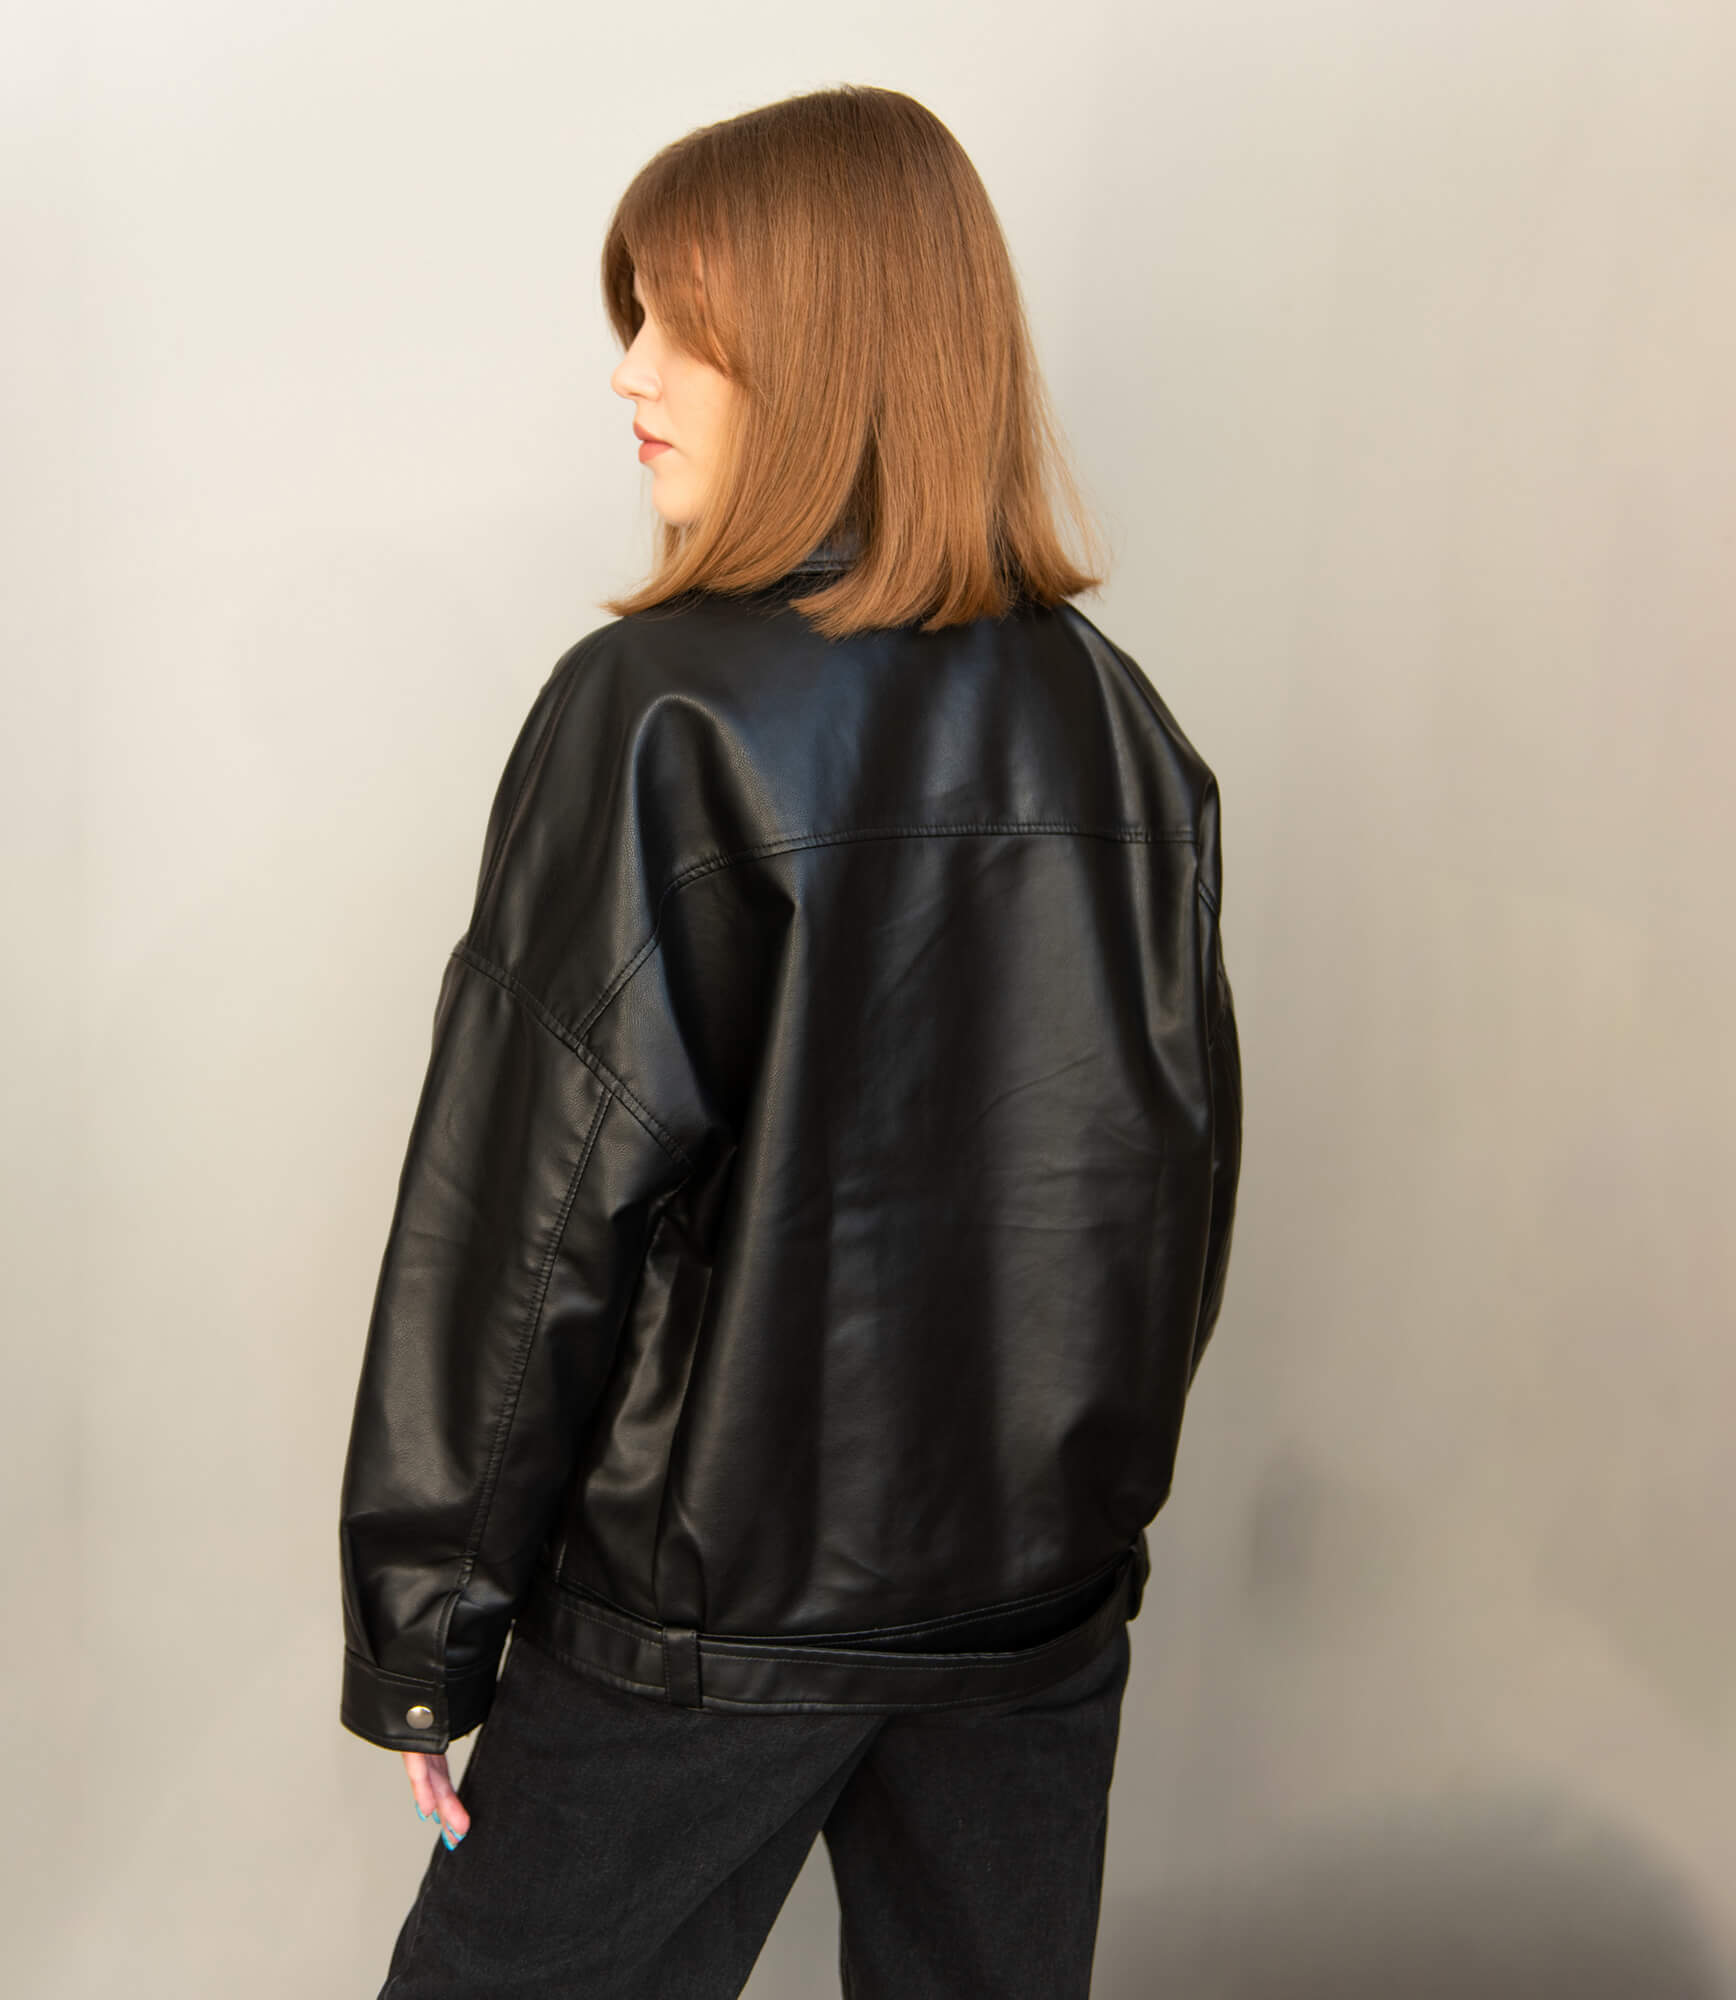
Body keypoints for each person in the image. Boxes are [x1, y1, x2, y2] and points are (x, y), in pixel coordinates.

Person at [337, 83, 1242, 1999]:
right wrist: (1069, 1543)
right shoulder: (1122, 727)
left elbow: (525, 1210)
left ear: (827, 353)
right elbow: (1167, 1195)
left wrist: (428, 1627)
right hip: (1028, 1622)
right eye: (634, 321)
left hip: (707, 1616)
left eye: (682, 325)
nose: (630, 374)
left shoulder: (656, 712)